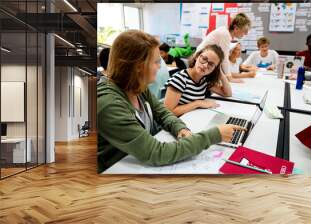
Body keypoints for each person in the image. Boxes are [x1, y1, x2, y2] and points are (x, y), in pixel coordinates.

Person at [97, 30, 244, 173]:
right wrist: (213, 135)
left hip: (134, 161)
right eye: (156, 61)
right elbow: (156, 153)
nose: (160, 66)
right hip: (115, 169)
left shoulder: (137, 87)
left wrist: (181, 129)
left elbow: (163, 113)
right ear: (138, 67)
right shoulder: (110, 104)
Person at [163, 44, 232, 117]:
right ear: (196, 56)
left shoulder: (204, 80)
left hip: (193, 118)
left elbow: (227, 93)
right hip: (176, 124)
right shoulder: (180, 79)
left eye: (211, 64)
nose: (205, 65)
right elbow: (168, 113)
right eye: (204, 59)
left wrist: (219, 71)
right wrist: (197, 103)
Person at [196, 13, 251, 83]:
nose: (246, 34)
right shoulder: (225, 35)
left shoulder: (225, 31)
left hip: (204, 61)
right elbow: (224, 58)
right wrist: (229, 77)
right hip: (201, 62)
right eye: (244, 31)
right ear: (236, 28)